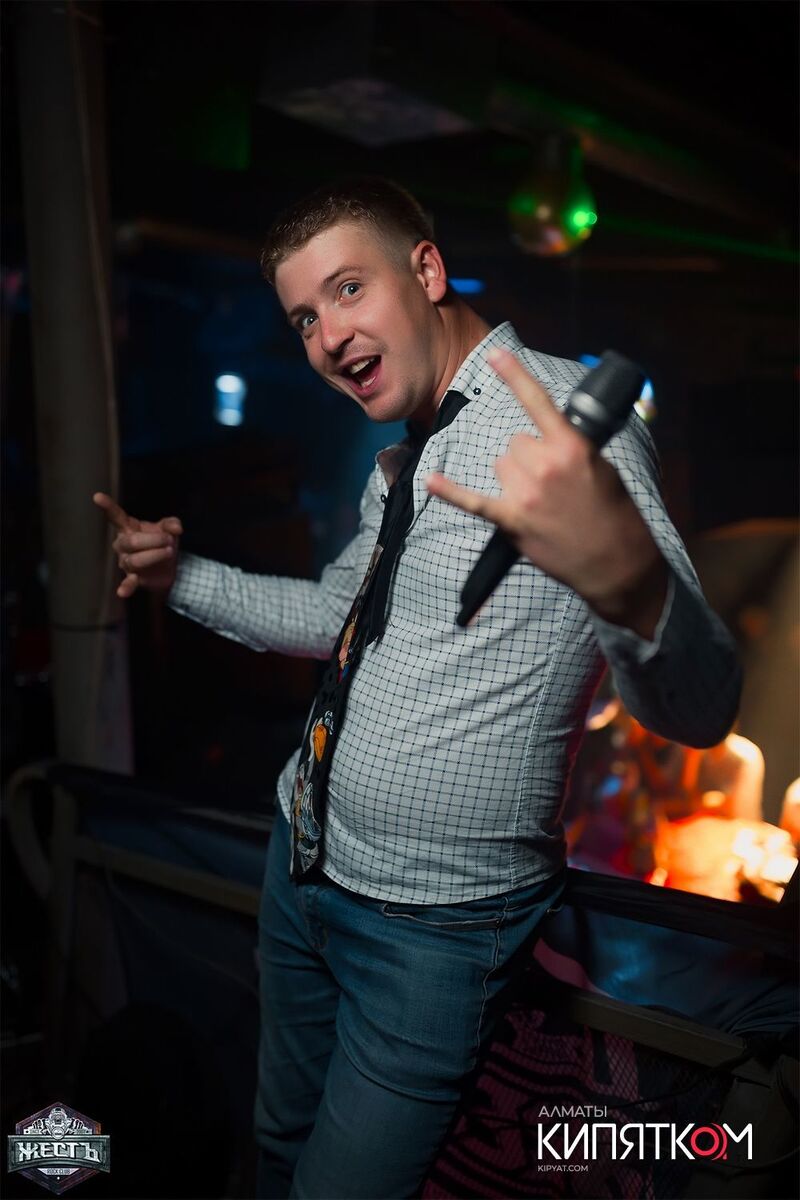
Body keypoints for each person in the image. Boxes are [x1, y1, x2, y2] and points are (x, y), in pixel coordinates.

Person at [94, 177, 742, 1199]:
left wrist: (631, 584)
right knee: (275, 1143)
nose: (326, 337)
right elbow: (333, 616)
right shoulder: (401, 458)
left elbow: (701, 711)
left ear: (427, 270)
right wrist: (182, 579)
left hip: (429, 932)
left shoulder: (567, 430)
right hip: (301, 864)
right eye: (303, 318)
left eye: (347, 288)